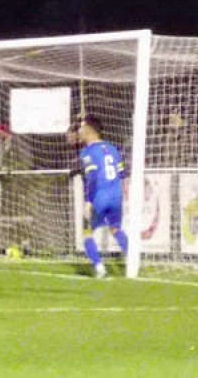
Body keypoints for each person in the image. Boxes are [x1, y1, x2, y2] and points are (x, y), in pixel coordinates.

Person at [77, 114, 129, 279]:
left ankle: (99, 268)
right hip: (116, 195)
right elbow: (123, 174)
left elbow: (91, 177)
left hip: (99, 195)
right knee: (116, 229)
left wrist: (88, 201)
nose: (79, 131)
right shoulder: (113, 148)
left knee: (87, 232)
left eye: (82, 128)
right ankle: (133, 260)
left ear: (89, 130)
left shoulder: (87, 151)